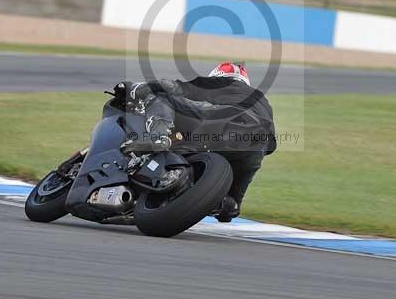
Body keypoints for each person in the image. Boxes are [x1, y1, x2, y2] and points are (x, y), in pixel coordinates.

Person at [114, 62, 275, 222]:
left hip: (222, 120)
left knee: (162, 98)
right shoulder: (263, 100)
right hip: (255, 147)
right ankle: (223, 205)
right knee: (231, 206)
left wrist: (132, 89)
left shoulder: (216, 83)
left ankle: (158, 137)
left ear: (218, 75)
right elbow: (271, 145)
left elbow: (169, 86)